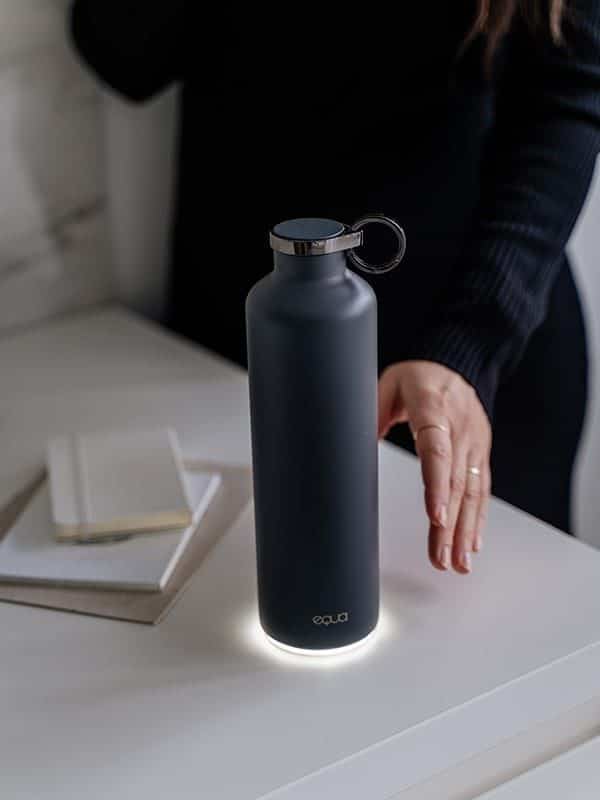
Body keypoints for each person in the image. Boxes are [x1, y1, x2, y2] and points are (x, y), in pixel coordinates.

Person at [70, 1, 600, 574]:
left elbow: (567, 105)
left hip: (467, 355)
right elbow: (123, 58)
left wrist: (469, 346)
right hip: (244, 345)